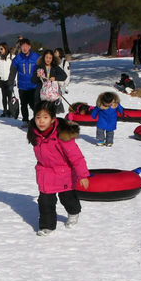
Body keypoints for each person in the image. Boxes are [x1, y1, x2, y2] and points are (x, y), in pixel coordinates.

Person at [27, 101, 91, 236]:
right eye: (38, 117)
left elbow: (76, 157)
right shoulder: (35, 133)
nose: (41, 121)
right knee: (45, 201)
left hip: (64, 173)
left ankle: (74, 212)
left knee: (68, 198)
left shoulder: (62, 135)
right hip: (46, 173)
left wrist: (83, 175)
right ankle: (47, 226)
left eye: (45, 118)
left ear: (53, 119)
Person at [9, 38, 41, 123]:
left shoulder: (36, 57)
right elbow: (12, 71)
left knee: (34, 104)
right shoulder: (17, 58)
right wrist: (10, 82)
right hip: (22, 86)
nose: (24, 48)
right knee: (23, 104)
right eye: (23, 46)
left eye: (26, 46)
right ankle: (25, 120)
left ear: (30, 47)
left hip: (34, 85)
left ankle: (36, 120)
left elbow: (42, 68)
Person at [34, 49, 67, 115]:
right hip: (41, 94)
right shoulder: (39, 67)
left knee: (52, 112)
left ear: (52, 59)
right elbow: (33, 80)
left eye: (50, 58)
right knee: (41, 112)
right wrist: (37, 76)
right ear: (43, 58)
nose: (48, 59)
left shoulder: (55, 67)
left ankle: (52, 123)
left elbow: (64, 76)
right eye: (46, 57)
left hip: (52, 94)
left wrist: (55, 78)